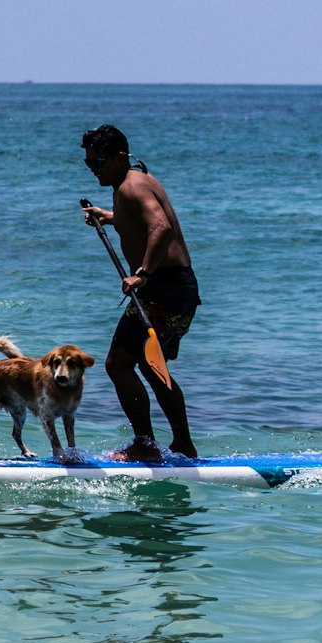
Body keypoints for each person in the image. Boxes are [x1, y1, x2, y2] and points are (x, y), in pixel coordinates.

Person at [81, 123, 200, 460]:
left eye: (99, 162)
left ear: (120, 157)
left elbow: (160, 228)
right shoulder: (138, 181)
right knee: (151, 365)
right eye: (89, 164)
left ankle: (145, 445)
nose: (95, 170)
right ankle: (182, 445)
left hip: (162, 289)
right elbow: (141, 221)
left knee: (118, 365)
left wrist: (143, 274)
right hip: (180, 289)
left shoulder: (131, 187)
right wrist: (109, 217)